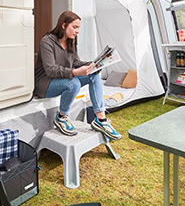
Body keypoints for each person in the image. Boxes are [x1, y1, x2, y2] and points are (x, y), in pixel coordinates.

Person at [34, 10, 122, 140]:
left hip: (61, 80)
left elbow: (75, 62)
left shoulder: (71, 41)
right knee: (73, 82)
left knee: (94, 76)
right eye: (74, 27)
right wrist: (75, 72)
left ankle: (101, 120)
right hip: (44, 83)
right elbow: (50, 70)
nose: (77, 31)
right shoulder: (47, 41)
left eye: (78, 28)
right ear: (63, 26)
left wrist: (94, 64)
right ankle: (62, 117)